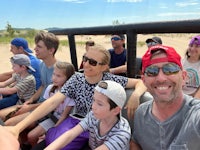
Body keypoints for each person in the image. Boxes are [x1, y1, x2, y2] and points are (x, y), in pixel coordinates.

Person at [7, 44, 146, 150]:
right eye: (85, 59)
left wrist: (136, 95)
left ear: (104, 67)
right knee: (50, 141)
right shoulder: (77, 78)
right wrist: (18, 127)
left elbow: (140, 81)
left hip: (97, 126)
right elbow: (53, 102)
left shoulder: (110, 82)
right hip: (78, 123)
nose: (85, 64)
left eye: (92, 62)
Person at [130, 45, 200, 150]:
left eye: (170, 69)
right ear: (144, 80)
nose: (161, 78)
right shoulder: (141, 113)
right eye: (152, 71)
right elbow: (136, 142)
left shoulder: (195, 115)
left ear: (184, 77)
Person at [44, 80, 131, 150]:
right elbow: (71, 133)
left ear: (116, 110)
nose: (93, 107)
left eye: (100, 104)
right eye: (94, 100)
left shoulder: (122, 134)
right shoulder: (94, 115)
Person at [4, 31, 59, 126]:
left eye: (39, 47)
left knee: (9, 123)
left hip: (48, 110)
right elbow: (43, 85)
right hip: (37, 103)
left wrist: (30, 107)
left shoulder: (60, 70)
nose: (35, 49)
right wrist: (30, 100)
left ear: (51, 50)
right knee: (2, 115)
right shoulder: (42, 65)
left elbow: (55, 102)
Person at [27, 61, 75, 147]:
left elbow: (64, 116)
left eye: (58, 76)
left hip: (63, 123)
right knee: (31, 136)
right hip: (52, 118)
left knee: (43, 139)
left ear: (68, 79)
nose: (54, 78)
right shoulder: (50, 88)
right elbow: (45, 108)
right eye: (54, 74)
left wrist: (50, 132)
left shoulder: (70, 95)